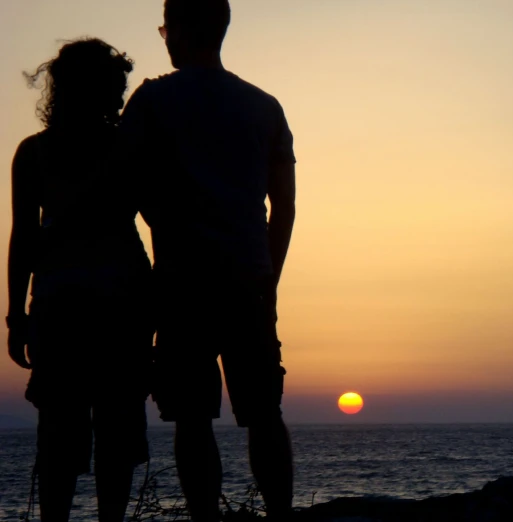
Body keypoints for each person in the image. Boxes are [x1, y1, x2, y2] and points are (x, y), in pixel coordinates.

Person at [118, 0, 297, 520]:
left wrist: (161, 219)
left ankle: (205, 520)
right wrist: (271, 277)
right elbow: (283, 206)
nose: (164, 39)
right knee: (264, 411)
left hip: (180, 281)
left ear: (183, 30)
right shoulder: (264, 106)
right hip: (249, 279)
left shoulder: (152, 101)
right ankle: (281, 517)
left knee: (192, 418)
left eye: (166, 28)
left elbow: (121, 186)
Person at [6, 39, 154, 522]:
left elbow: (23, 238)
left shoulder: (36, 152)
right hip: (115, 303)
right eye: (116, 87)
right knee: (112, 429)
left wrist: (15, 315)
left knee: (64, 433)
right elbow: (23, 236)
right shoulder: (128, 149)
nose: (119, 98)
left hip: (69, 303)